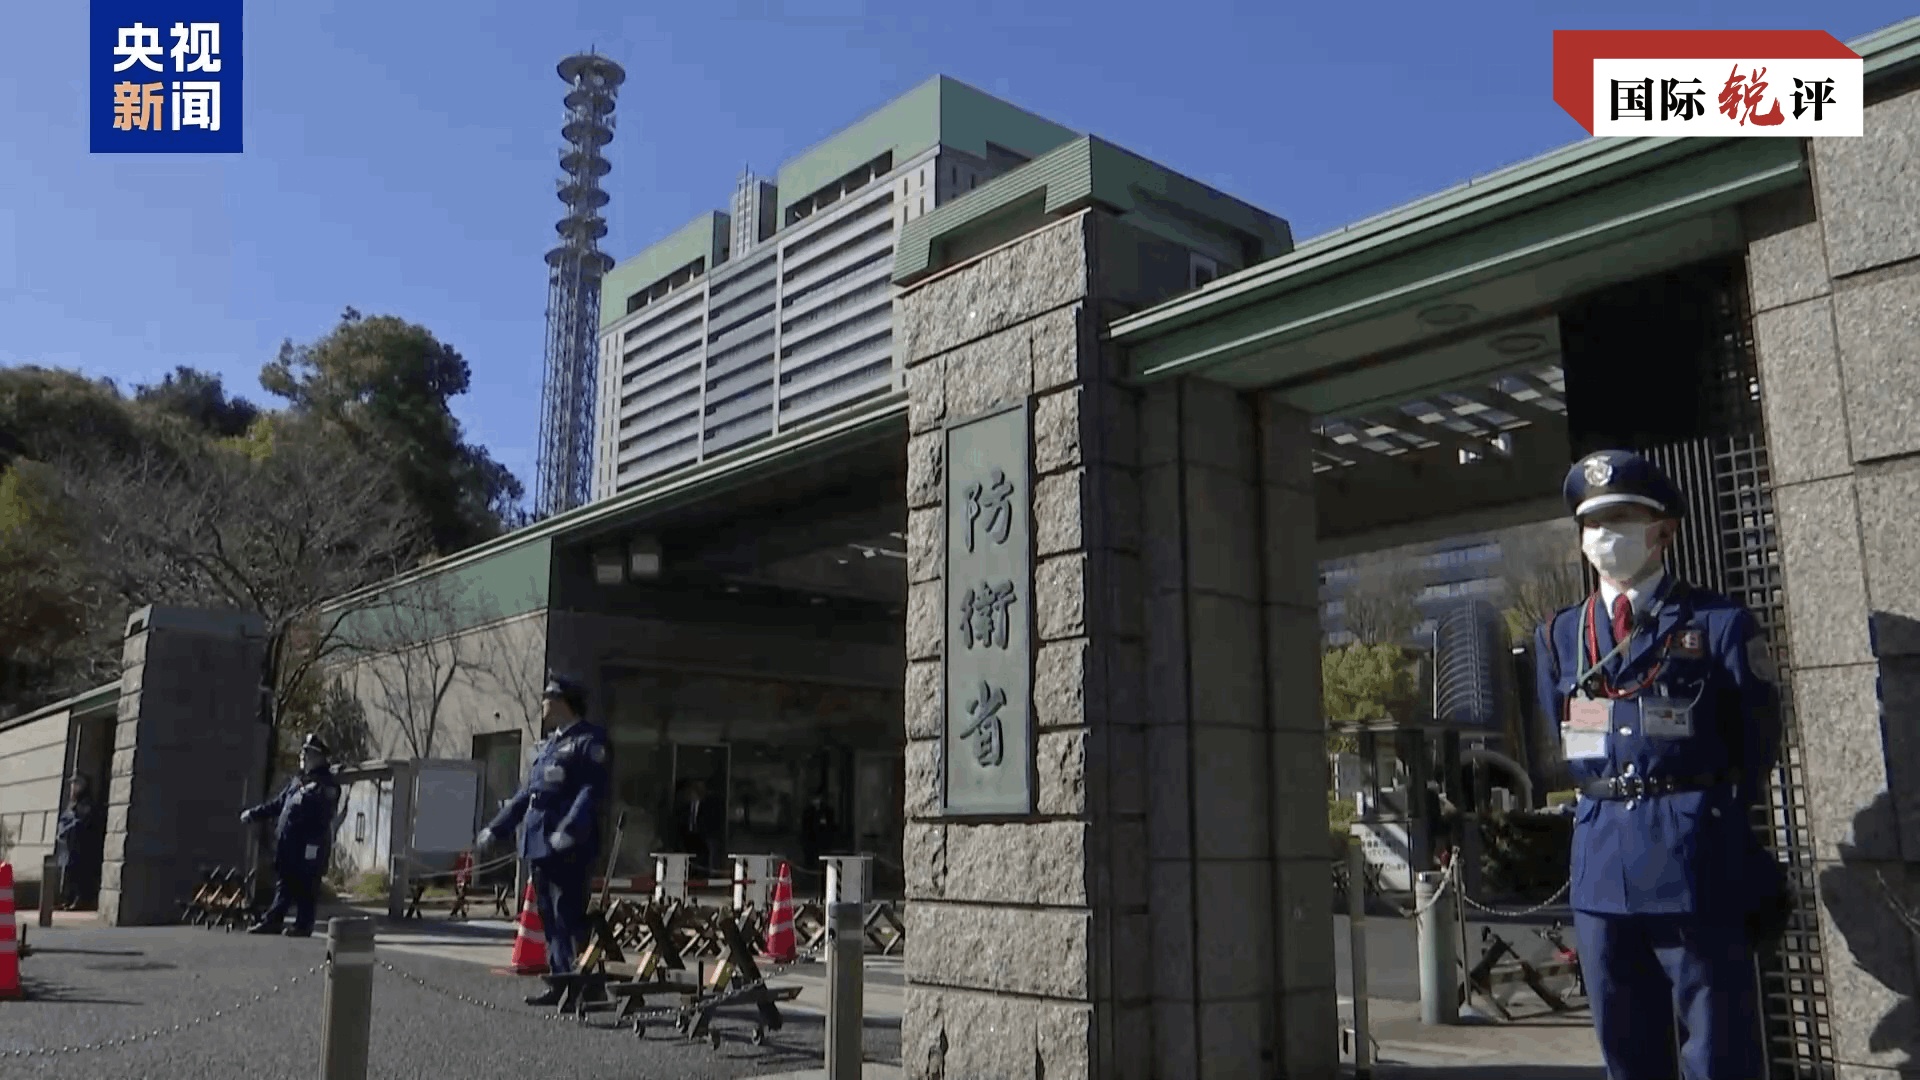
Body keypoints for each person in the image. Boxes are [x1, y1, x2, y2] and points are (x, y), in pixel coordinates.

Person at [1533, 449, 1784, 1080]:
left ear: (1663, 531)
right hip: (1600, 865)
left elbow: (1756, 741)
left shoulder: (1718, 623)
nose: (1605, 536)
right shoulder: (1560, 635)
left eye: (1622, 520)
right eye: (1593, 523)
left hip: (1692, 858)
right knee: (1626, 1049)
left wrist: (1708, 816)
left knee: (1717, 1048)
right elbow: (1564, 732)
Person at [476, 673, 609, 1006]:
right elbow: (527, 795)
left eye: (549, 697)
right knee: (549, 917)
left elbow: (590, 793)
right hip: (538, 843)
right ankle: (560, 980)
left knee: (568, 914)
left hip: (568, 847)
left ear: (564, 702)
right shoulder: (549, 745)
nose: (544, 703)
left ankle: (582, 984)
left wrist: (570, 830)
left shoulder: (589, 741)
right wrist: (497, 828)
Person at [241, 734, 342, 938]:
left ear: (320, 757)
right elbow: (278, 804)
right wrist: (254, 814)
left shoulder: (327, 784)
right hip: (289, 844)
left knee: (307, 884)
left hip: (309, 846)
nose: (303, 755)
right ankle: (274, 921)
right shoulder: (298, 781)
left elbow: (322, 815)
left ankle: (302, 925)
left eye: (308, 752)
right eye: (303, 751)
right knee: (285, 883)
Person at [54, 774, 105, 910]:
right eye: (72, 784)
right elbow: (65, 819)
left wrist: (69, 829)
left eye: (76, 783)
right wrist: (62, 830)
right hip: (69, 846)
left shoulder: (86, 803)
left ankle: (79, 900)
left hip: (81, 846)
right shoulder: (72, 802)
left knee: (80, 875)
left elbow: (83, 822)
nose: (73, 787)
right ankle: (67, 899)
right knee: (69, 873)